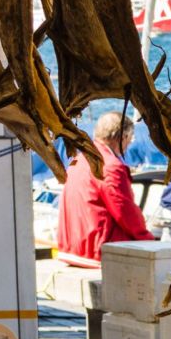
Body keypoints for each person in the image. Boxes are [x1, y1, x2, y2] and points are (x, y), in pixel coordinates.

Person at [54, 112, 152, 267]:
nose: (130, 143)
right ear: (123, 137)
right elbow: (125, 212)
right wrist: (148, 239)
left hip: (72, 247)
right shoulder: (111, 166)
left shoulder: (78, 161)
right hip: (98, 249)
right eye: (130, 137)